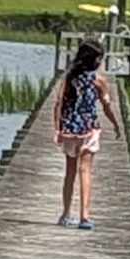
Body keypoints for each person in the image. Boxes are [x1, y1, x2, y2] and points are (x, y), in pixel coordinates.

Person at [50, 37, 117, 228]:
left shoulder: (70, 78)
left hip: (70, 129)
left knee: (69, 172)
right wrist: (115, 124)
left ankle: (65, 214)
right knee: (86, 170)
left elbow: (58, 104)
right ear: (97, 60)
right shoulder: (99, 81)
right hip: (89, 129)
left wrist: (57, 129)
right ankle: (84, 217)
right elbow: (106, 106)